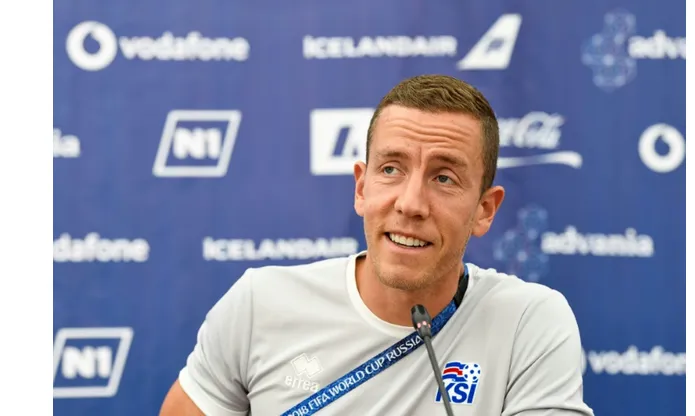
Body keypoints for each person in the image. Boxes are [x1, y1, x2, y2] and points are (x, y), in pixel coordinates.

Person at [159, 74, 594, 416]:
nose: (411, 204)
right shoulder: (260, 304)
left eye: (444, 178)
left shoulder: (528, 322)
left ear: (484, 209)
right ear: (361, 188)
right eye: (391, 169)